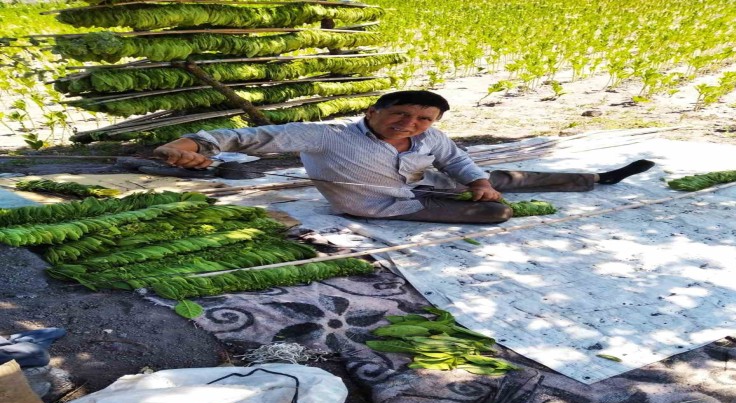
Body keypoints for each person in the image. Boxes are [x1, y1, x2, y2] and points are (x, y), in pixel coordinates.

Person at [154, 90, 654, 224]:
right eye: (403, 114)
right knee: (498, 210)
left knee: (498, 177)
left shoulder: (430, 140)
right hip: (380, 205)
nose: (411, 125)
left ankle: (596, 179)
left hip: (418, 182)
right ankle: (487, 204)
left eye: (423, 120)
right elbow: (250, 139)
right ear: (375, 111)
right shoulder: (326, 136)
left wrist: (477, 180)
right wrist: (190, 147)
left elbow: (457, 162)